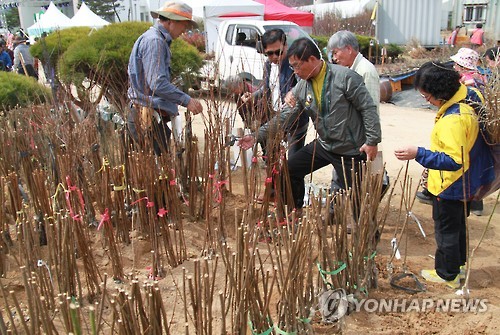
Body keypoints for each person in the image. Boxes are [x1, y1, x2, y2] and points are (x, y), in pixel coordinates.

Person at [239, 37, 381, 214]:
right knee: (289, 170)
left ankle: (367, 235)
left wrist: (372, 141)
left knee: (359, 200)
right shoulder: (303, 87)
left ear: (313, 60)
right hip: (325, 145)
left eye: (298, 65)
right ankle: (294, 211)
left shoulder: (346, 78)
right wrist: (256, 135)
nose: (295, 71)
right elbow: (285, 117)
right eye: (292, 67)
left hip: (351, 150)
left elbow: (368, 108)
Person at [394, 61, 494, 289]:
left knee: (446, 229)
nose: (427, 101)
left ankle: (446, 274)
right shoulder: (471, 94)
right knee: (457, 226)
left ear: (441, 92)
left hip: (451, 184)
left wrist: (417, 153)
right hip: (467, 180)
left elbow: (453, 160)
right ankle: (457, 266)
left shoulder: (454, 119)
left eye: (428, 97)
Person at [127, 1, 203, 156]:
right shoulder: (155, 41)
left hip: (148, 114)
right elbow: (157, 84)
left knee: (154, 168)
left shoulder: (154, 39)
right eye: (184, 25)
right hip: (147, 117)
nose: (185, 30)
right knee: (154, 171)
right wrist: (186, 100)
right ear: (171, 21)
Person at [327, 30, 389, 199]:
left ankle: (362, 212)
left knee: (372, 177)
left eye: (336, 52)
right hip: (349, 135)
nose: (334, 58)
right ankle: (338, 208)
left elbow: (370, 109)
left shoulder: (365, 71)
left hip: (360, 137)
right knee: (343, 175)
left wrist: (370, 140)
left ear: (348, 49)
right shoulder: (349, 70)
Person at [241, 29, 309, 156]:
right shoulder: (268, 65)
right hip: (276, 120)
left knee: (293, 163)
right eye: (269, 53)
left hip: (295, 122)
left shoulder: (293, 64)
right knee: (275, 159)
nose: (274, 57)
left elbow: (304, 83)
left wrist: (293, 92)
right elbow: (267, 88)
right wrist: (253, 95)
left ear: (285, 46)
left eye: (278, 52)